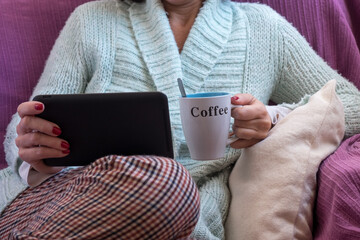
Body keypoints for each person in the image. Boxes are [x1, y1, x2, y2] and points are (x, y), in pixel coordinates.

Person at [1, 0, 360, 239]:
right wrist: (34, 156)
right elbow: (32, 118)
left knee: (171, 185)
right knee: (167, 182)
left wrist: (274, 117)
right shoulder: (92, 19)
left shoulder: (264, 27)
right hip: (65, 196)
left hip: (185, 209)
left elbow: (350, 102)